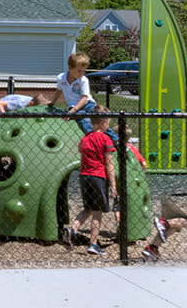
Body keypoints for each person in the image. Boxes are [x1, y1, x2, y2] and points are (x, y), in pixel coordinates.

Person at [74, 113, 117, 255]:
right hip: (98, 176)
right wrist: (114, 186)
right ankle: (93, 243)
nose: (109, 125)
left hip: (84, 176)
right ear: (103, 122)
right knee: (97, 212)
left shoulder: (85, 138)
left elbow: (80, 151)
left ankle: (73, 228)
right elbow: (110, 164)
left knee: (89, 208)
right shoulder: (106, 139)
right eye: (108, 122)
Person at [57, 52, 104, 138]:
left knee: (99, 120)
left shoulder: (83, 80)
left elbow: (84, 98)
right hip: (73, 105)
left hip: (87, 104)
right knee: (83, 120)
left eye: (84, 71)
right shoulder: (61, 78)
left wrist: (72, 111)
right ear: (70, 68)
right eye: (79, 71)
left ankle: (117, 141)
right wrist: (52, 102)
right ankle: (92, 137)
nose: (82, 73)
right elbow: (58, 90)